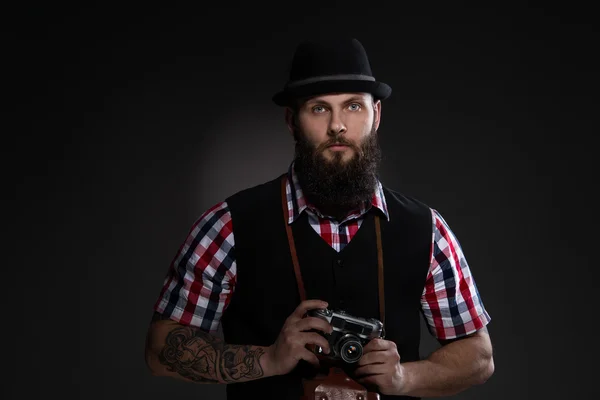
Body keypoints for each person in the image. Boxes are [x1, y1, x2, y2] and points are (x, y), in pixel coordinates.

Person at [144, 37, 494, 400]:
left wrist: (405, 377)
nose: (338, 126)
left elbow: (479, 357)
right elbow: (159, 350)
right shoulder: (228, 226)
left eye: (354, 107)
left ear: (377, 115)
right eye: (319, 109)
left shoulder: (427, 230)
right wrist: (268, 359)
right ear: (292, 121)